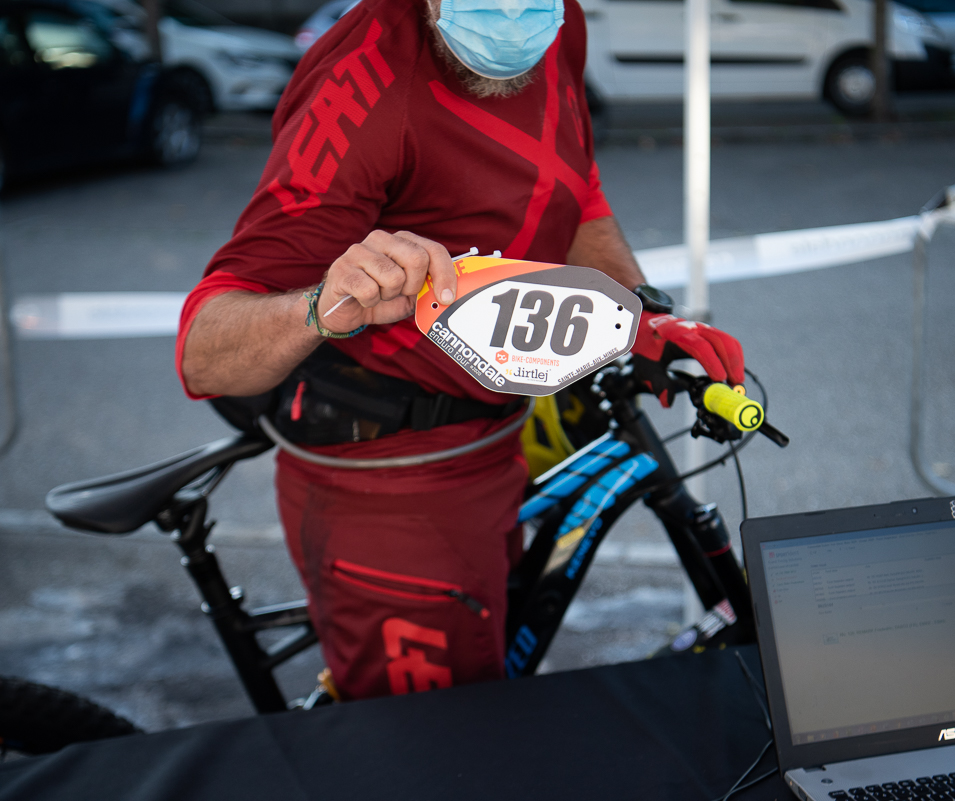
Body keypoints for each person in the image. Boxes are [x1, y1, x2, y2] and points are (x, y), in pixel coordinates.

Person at [176, 0, 745, 700]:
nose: (511, 8)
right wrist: (321, 306)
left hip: (497, 442)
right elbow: (205, 352)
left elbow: (573, 189)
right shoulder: (361, 89)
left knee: (487, 706)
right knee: (437, 747)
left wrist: (641, 316)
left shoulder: (556, 26)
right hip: (392, 483)